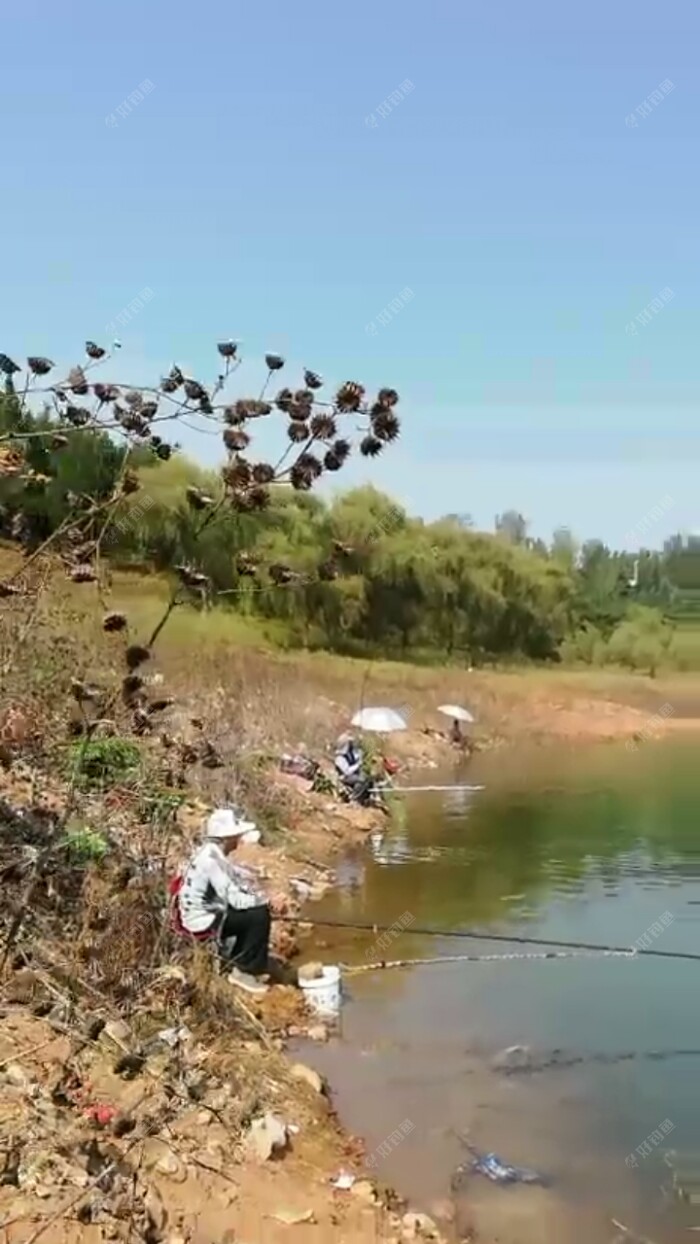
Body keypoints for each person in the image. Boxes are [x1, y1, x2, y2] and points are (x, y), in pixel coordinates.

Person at [178, 808, 280, 996]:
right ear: (226, 838)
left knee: (254, 910)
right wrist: (265, 902)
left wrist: (257, 896)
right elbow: (235, 900)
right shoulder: (211, 860)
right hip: (201, 920)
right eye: (235, 836)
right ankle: (244, 972)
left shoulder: (210, 853)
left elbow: (235, 884)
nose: (238, 840)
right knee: (258, 916)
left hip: (205, 912)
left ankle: (240, 960)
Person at [334, 733, 374, 806]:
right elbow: (347, 771)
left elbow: (357, 758)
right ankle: (354, 799)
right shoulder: (340, 757)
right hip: (345, 777)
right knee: (362, 779)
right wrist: (358, 765)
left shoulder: (350, 754)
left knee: (369, 778)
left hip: (353, 775)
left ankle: (364, 798)